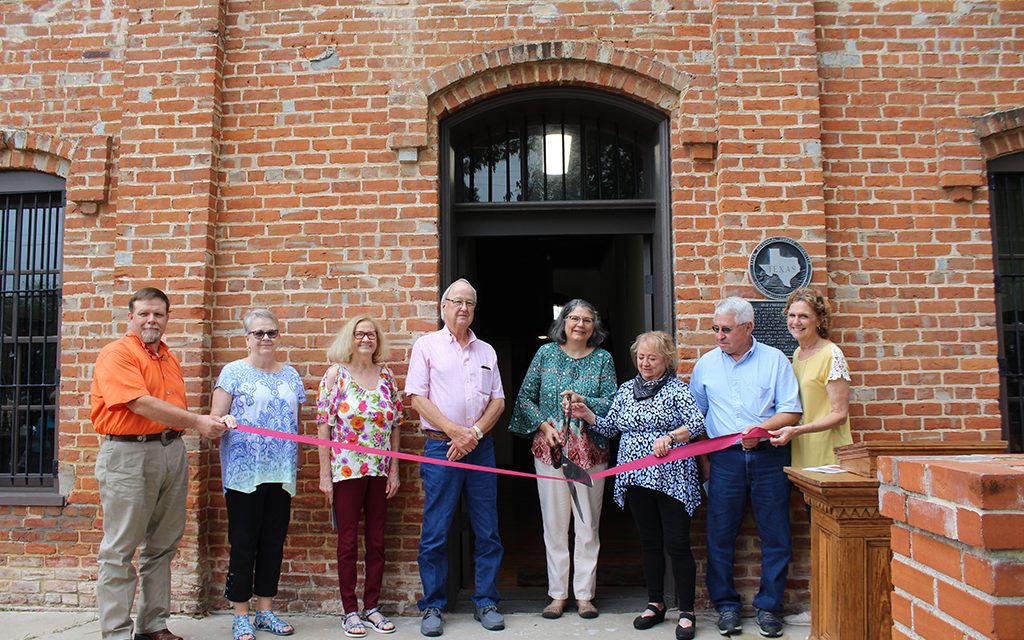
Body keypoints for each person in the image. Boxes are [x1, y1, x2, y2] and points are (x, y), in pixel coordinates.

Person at [90, 287, 229, 640]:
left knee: (162, 545)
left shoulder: (168, 357)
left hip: (170, 452)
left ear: (167, 318)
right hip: (128, 455)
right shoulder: (117, 353)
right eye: (145, 314)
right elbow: (138, 402)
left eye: (159, 314)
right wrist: (198, 422)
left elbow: (165, 410)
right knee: (120, 549)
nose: (152, 320)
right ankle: (117, 632)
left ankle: (153, 625)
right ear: (130, 317)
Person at [571, 331, 706, 640]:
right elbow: (610, 427)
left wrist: (671, 437)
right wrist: (587, 414)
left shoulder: (677, 390)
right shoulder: (627, 389)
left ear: (667, 360)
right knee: (649, 543)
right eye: (641, 357)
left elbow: (697, 424)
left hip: (672, 479)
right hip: (635, 479)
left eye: (652, 358)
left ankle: (686, 611)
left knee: (677, 544)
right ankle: (655, 603)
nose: (645, 363)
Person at [688, 297, 802, 638]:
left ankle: (770, 607)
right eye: (715, 329)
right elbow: (697, 420)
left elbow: (791, 411)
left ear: (748, 327)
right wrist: (705, 462)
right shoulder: (706, 365)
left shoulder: (775, 360)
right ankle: (726, 607)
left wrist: (760, 431)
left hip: (770, 457)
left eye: (725, 329)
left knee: (776, 534)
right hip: (725, 461)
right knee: (720, 535)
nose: (719, 336)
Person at [405, 279, 506, 637]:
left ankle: (486, 601)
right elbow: (416, 396)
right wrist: (453, 431)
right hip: (440, 446)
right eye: (457, 302)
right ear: (444, 306)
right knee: (436, 530)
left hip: (481, 449)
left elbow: (498, 400)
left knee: (487, 529)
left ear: (474, 309)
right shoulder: (427, 346)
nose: (463, 308)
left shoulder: (487, 351)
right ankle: (432, 605)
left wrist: (474, 434)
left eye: (469, 303)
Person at [508, 300, 617, 620]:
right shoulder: (546, 354)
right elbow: (525, 398)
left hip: (591, 455)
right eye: (573, 318)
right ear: (563, 322)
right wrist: (544, 426)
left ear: (594, 327)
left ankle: (584, 595)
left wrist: (584, 401)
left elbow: (613, 402)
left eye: (586, 320)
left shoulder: (603, 359)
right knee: (554, 526)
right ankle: (557, 594)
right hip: (550, 453)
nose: (580, 324)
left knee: (587, 526)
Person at [211, 310, 306, 640]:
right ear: (247, 338)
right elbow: (214, 418)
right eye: (259, 333)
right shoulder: (233, 372)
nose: (266, 338)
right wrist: (223, 422)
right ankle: (240, 614)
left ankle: (265, 610)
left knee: (272, 542)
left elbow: (297, 422)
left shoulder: (291, 375)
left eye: (272, 333)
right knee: (244, 542)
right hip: (243, 471)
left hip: (280, 471)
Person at [316, 316, 403, 638]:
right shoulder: (335, 375)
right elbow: (323, 426)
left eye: (371, 334)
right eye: (359, 334)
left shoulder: (387, 376)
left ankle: (372, 606)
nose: (366, 339)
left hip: (379, 471)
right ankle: (349, 611)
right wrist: (326, 475)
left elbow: (395, 425)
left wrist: (394, 469)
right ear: (349, 339)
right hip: (346, 470)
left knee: (377, 542)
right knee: (348, 542)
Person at [768, 287, 852, 468]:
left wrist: (797, 430)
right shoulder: (798, 354)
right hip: (802, 445)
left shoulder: (832, 355)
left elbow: (840, 414)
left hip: (827, 449)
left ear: (819, 320)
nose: (796, 322)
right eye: (792, 315)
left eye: (804, 316)